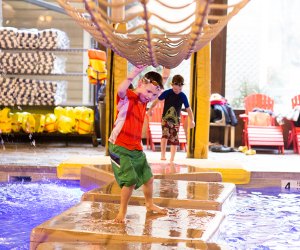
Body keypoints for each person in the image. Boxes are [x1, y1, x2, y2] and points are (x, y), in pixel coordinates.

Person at [108, 67, 168, 223]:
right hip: (119, 147)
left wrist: (165, 73)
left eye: (154, 95)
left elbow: (158, 88)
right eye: (148, 92)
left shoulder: (144, 101)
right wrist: (133, 73)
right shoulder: (129, 97)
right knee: (131, 180)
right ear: (141, 83)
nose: (150, 97)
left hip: (135, 147)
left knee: (148, 177)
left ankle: (149, 204)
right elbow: (120, 90)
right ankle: (122, 212)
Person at [148, 74, 195, 163]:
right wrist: (150, 109)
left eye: (180, 89)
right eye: (175, 89)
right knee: (165, 136)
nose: (177, 91)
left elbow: (189, 109)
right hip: (165, 119)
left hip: (176, 121)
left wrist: (192, 120)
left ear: (182, 87)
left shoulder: (182, 96)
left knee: (174, 139)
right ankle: (163, 155)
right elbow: (157, 101)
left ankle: (172, 158)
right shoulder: (168, 92)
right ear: (172, 85)